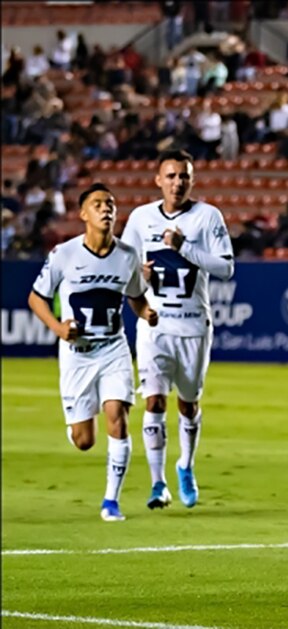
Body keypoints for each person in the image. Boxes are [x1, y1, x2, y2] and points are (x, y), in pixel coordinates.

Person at [27, 183, 159, 521]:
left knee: (118, 417)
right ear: (83, 214)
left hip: (113, 349)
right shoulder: (64, 254)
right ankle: (77, 428)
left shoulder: (128, 255)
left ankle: (110, 502)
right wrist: (58, 329)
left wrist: (146, 312)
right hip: (77, 355)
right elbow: (35, 297)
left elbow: (135, 295)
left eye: (110, 203)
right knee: (85, 440)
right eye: (98, 204)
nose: (106, 208)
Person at [121, 150, 235, 511]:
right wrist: (140, 274)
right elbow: (124, 267)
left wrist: (184, 247)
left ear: (192, 180)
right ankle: (158, 484)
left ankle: (185, 465)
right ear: (158, 180)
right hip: (154, 325)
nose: (177, 182)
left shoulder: (207, 217)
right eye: (170, 176)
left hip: (194, 327)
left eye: (183, 176)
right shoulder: (140, 218)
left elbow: (225, 268)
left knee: (188, 404)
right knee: (153, 402)